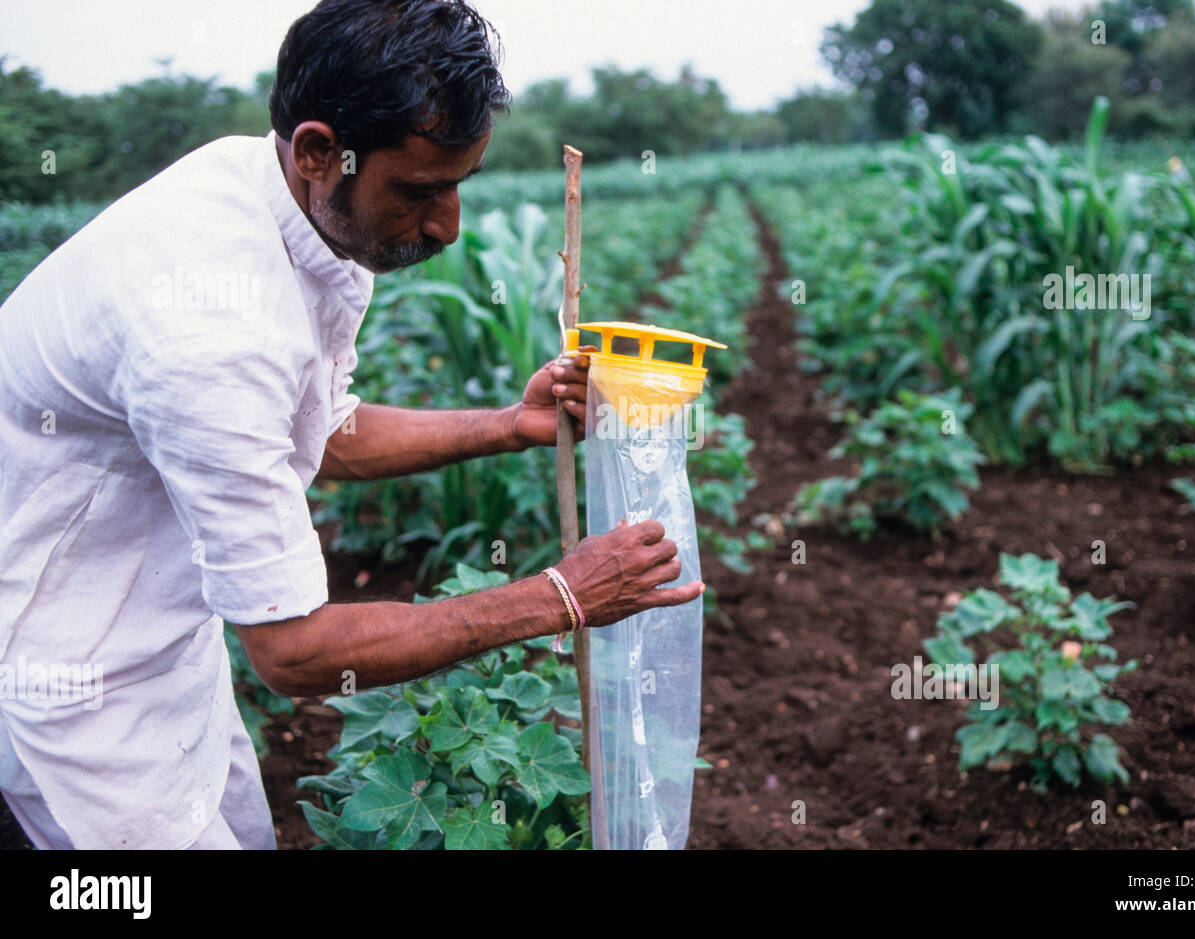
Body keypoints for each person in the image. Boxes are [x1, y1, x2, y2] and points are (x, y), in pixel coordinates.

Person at [0, 0, 704, 850]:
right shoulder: (208, 326)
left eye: (457, 185)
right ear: (319, 153)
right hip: (68, 669)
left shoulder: (287, 203)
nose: (447, 225)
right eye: (420, 190)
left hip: (163, 633)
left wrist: (509, 423)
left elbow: (321, 431)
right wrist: (559, 596)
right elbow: (294, 651)